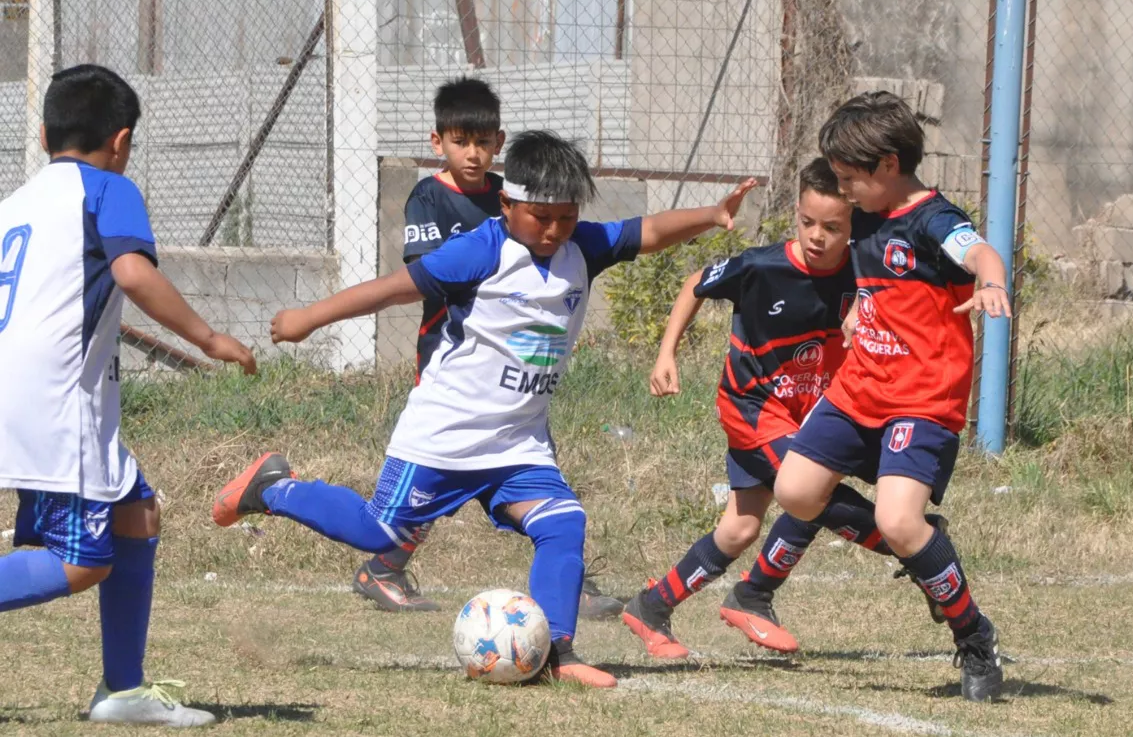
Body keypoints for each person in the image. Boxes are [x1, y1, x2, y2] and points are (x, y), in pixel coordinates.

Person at [213, 130, 756, 688]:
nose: (553, 230)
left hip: (517, 444)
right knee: (380, 534)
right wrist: (311, 316)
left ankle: (557, 653)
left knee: (563, 523)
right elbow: (394, 289)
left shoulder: (581, 248)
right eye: (540, 216)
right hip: (444, 434)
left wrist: (712, 213)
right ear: (506, 203)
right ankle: (273, 487)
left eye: (566, 218)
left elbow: (646, 232)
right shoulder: (482, 249)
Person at [0, 64, 256, 725]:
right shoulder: (105, 189)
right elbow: (132, 271)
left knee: (136, 510)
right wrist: (208, 336)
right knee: (83, 563)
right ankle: (119, 689)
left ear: (43, 133)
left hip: (21, 389)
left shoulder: (17, 204)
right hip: (58, 403)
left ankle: (122, 690)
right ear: (121, 140)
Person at [621, 158, 946, 659]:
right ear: (795, 214)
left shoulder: (866, 267)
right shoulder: (762, 266)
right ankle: (921, 557)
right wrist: (666, 353)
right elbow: (694, 283)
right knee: (811, 492)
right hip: (752, 408)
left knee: (741, 527)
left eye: (833, 227)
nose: (817, 236)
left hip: (812, 410)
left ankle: (652, 606)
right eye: (807, 222)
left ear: (854, 226)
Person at [352, 77, 623, 619]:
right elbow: (427, 271)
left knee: (534, 464)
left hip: (515, 359)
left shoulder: (518, 192)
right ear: (438, 143)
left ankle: (569, 577)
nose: (471, 154)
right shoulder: (430, 196)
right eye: (460, 142)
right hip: (453, 353)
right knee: (439, 472)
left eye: (481, 142)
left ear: (498, 142)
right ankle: (383, 564)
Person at [772, 91, 1008, 702]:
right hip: (857, 390)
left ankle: (975, 639)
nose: (844, 191)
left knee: (896, 520)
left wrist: (991, 282)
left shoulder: (932, 220)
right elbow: (870, 280)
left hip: (923, 400)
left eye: (851, 179)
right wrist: (857, 311)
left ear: (888, 166)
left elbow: (978, 251)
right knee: (795, 492)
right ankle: (929, 553)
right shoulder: (865, 214)